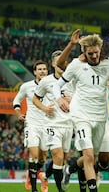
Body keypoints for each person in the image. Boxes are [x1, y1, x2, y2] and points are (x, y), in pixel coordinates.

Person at [53, 32, 109, 192]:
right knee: (89, 156)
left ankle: (71, 168)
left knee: (103, 161)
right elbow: (57, 84)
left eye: (96, 52)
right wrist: (59, 99)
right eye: (90, 53)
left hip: (102, 117)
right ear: (84, 52)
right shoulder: (76, 65)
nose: (94, 56)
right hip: (81, 115)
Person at [33, 50, 74, 192]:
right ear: (53, 64)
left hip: (68, 124)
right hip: (52, 124)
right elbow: (35, 98)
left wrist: (72, 100)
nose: (62, 64)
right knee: (57, 155)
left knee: (63, 159)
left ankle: (45, 175)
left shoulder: (73, 80)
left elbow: (81, 99)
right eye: (58, 61)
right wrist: (45, 108)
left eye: (64, 61)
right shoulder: (46, 81)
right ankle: (59, 189)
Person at [13, 60, 50, 192]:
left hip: (47, 125)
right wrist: (18, 114)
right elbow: (16, 101)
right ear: (34, 72)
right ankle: (35, 188)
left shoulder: (53, 85)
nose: (42, 71)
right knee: (33, 154)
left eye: (44, 69)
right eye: (39, 69)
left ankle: (33, 173)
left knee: (42, 157)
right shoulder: (27, 86)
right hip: (32, 124)